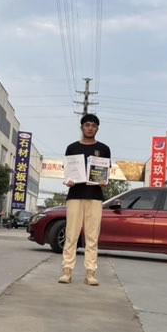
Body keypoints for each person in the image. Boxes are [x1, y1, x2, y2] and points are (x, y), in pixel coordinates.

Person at [59, 113, 111, 286]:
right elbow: (67, 172)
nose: (90, 128)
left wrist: (104, 181)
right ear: (81, 127)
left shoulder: (104, 149)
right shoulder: (72, 148)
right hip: (75, 196)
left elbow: (106, 174)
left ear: (97, 129)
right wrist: (68, 181)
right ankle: (67, 270)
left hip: (95, 197)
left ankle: (90, 272)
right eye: (87, 125)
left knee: (92, 236)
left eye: (93, 125)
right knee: (71, 235)